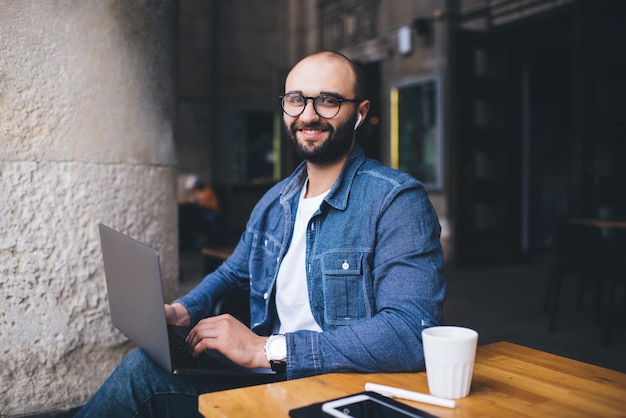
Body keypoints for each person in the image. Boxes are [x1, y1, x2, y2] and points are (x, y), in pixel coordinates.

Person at [76, 50, 446, 417]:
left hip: (337, 391)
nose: (309, 115)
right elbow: (233, 272)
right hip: (271, 379)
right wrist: (183, 311)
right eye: (297, 100)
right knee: (143, 367)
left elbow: (410, 331)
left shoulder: (396, 199)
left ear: (360, 113)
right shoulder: (276, 200)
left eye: (329, 101)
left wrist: (267, 349)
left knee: (141, 379)